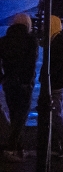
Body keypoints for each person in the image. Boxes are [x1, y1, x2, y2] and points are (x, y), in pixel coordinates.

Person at [0, 14, 36, 156]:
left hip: (9, 82)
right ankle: (12, 146)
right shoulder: (30, 40)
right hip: (24, 84)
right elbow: (31, 64)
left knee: (14, 112)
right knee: (21, 115)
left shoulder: (4, 41)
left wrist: (3, 78)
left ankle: (19, 147)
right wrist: (28, 81)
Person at [45, 15, 63, 157]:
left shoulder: (57, 43)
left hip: (56, 84)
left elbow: (58, 66)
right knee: (53, 113)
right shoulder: (60, 41)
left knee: (55, 114)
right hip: (60, 83)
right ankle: (56, 145)